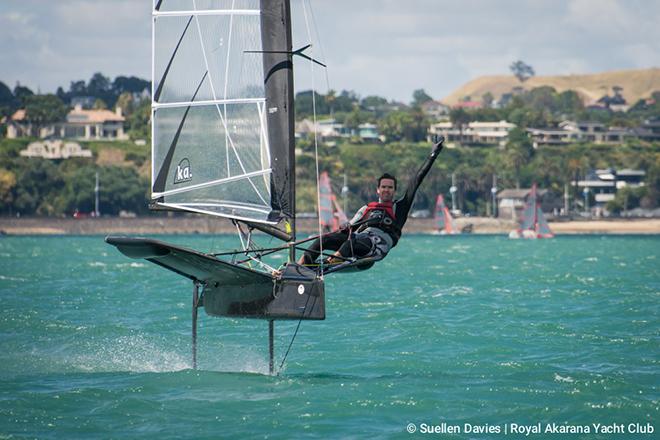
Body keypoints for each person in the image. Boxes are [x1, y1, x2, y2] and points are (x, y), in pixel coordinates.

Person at [298, 138, 444, 269]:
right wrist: (345, 227)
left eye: (390, 187)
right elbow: (349, 228)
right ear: (378, 190)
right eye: (384, 187)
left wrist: (432, 155)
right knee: (324, 239)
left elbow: (416, 181)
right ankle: (299, 267)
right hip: (358, 240)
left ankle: (328, 264)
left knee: (352, 241)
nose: (386, 190)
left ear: (394, 191)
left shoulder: (399, 208)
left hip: (376, 247)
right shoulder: (366, 209)